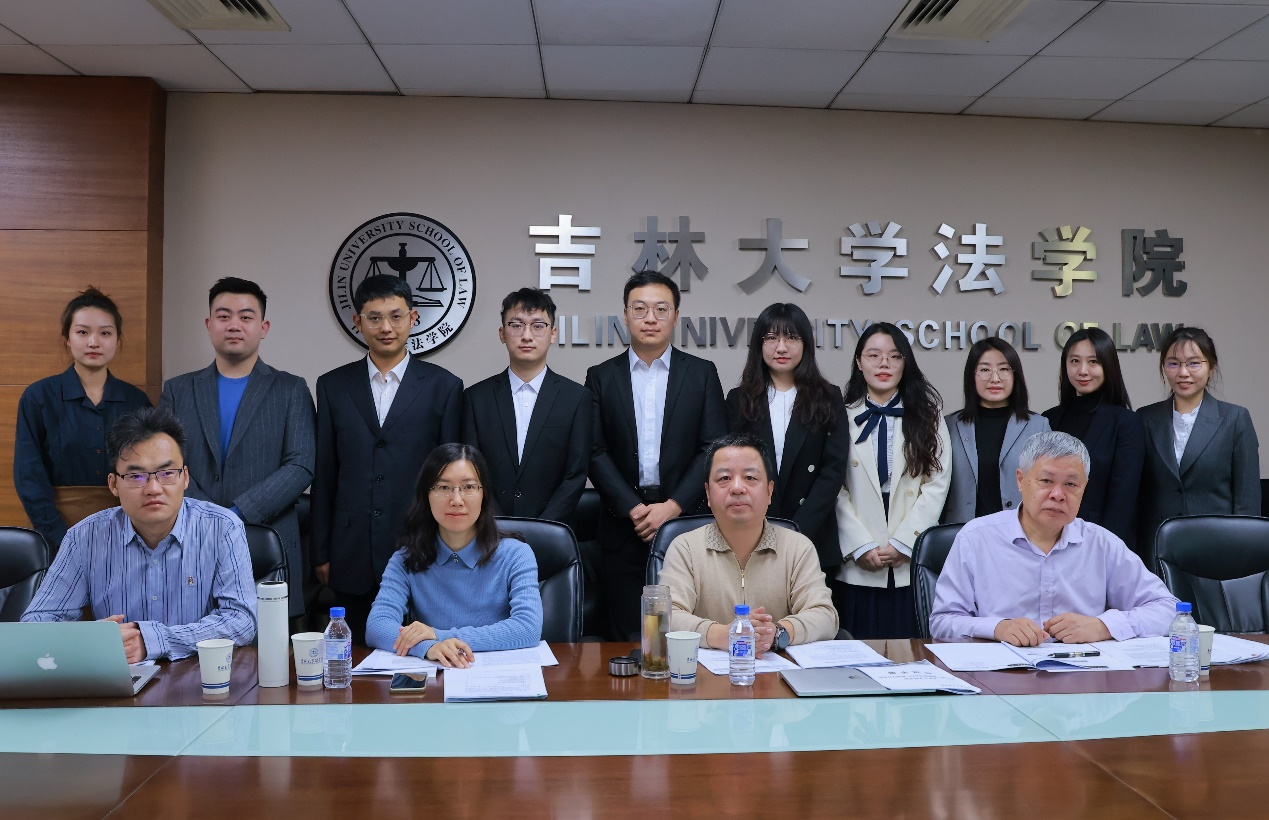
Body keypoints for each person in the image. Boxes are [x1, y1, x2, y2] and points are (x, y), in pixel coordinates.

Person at [21, 407, 256, 662]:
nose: (153, 488)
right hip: (118, 679)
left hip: (199, 676)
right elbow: (34, 625)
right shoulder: (85, 538)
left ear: (185, 478)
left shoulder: (222, 528)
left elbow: (241, 621)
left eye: (167, 473)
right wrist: (90, 638)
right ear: (113, 484)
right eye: (136, 476)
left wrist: (152, 640)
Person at [311, 275, 463, 643]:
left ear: (413, 318)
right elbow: (325, 474)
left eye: (396, 316)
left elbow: (451, 481)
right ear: (357, 321)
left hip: (421, 548)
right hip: (350, 553)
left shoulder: (444, 387)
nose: (386, 327)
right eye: (374, 317)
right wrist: (321, 552)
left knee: (423, 654)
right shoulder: (333, 386)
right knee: (355, 658)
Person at [160, 277, 316, 619]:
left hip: (268, 543)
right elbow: (164, 463)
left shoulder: (291, 389)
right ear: (208, 324)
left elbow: (301, 465)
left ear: (263, 327)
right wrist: (208, 515)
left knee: (272, 650)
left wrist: (237, 514)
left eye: (246, 317)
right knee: (191, 642)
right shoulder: (178, 390)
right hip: (192, 538)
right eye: (223, 316)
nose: (234, 325)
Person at [930, 432, 1178, 645]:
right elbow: (942, 622)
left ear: (1084, 488)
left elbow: (1169, 610)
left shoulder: (1101, 544)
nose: (1058, 494)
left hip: (1083, 677)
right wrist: (996, 628)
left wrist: (1103, 626)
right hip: (1000, 676)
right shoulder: (976, 538)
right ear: (1021, 480)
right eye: (1046, 481)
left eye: (1071, 484)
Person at [585, 271, 726, 640]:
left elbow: (713, 447)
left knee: (687, 632)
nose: (650, 318)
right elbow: (594, 450)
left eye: (661, 309)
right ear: (625, 315)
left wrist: (673, 506)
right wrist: (633, 508)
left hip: (686, 523)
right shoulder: (601, 376)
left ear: (675, 316)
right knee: (626, 637)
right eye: (640, 309)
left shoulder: (701, 374)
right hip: (622, 524)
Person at [659, 433, 838, 654]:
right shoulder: (685, 548)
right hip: (704, 673)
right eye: (724, 478)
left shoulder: (798, 548)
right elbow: (667, 615)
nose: (737, 488)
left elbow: (824, 615)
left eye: (750, 478)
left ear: (769, 491)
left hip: (777, 671)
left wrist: (776, 633)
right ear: (708, 493)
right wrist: (723, 634)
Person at [366, 444, 542, 667]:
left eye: (468, 487)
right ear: (426, 495)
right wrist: (427, 647)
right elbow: (377, 625)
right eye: (443, 487)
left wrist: (439, 636)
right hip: (438, 676)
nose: (456, 499)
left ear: (484, 494)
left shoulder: (516, 555)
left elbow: (528, 628)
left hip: (498, 675)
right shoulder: (406, 559)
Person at [833, 322, 950, 639]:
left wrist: (904, 543)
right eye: (873, 355)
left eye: (894, 356)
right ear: (859, 363)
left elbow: (937, 484)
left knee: (909, 653)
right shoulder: (840, 415)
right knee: (856, 655)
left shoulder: (928, 416)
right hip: (857, 560)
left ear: (904, 363)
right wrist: (860, 544)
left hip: (907, 558)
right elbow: (834, 486)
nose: (884, 364)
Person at [14, 287, 151, 551]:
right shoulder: (38, 397)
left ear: (118, 340)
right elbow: (29, 476)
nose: (93, 342)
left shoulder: (137, 401)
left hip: (125, 530)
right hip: (53, 530)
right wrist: (61, 539)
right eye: (82, 332)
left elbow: (146, 473)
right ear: (67, 338)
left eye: (105, 333)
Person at [726, 303, 849, 573]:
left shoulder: (828, 397)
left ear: (806, 344)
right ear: (759, 345)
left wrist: (797, 530)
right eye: (771, 338)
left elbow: (833, 470)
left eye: (792, 338)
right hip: (752, 536)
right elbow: (734, 469)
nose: (781, 347)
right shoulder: (739, 400)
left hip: (812, 536)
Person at [461, 287, 592, 526]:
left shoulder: (576, 398)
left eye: (538, 326)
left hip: (553, 532)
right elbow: (471, 471)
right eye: (517, 325)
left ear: (553, 334)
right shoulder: (475, 398)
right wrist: (498, 524)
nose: (527, 336)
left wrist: (543, 528)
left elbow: (575, 474)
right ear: (502, 333)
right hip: (490, 530)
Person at [1136, 326, 1260, 561]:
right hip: (1158, 551)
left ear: (1210, 366)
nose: (1183, 372)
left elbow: (1247, 499)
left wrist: (1242, 555)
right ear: (1164, 368)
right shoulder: (1145, 418)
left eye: (1194, 363)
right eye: (1173, 364)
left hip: (1217, 549)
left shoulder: (1235, 419)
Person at [1042, 327, 1144, 545]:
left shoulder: (1126, 423)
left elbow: (1123, 501)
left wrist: (1101, 550)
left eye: (1093, 362)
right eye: (1075, 361)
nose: (1083, 370)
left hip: (1100, 543)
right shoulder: (1049, 419)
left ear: (1108, 365)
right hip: (1049, 539)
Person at [942, 337, 1050, 525]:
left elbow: (1047, 485)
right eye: (985, 370)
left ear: (1015, 375)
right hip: (962, 533)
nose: (995, 378)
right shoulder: (949, 425)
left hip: (1020, 532)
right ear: (972, 375)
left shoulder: (1038, 426)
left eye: (1004, 369)